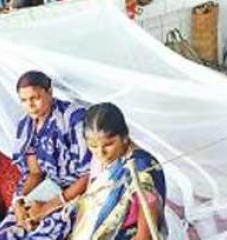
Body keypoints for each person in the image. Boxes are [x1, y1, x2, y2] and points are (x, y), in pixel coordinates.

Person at [0, 71, 91, 240]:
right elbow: (35, 172)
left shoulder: (74, 119)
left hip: (75, 191)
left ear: (50, 92)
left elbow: (88, 174)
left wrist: (47, 207)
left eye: (35, 98)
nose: (30, 106)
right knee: (7, 232)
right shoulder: (27, 126)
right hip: (49, 187)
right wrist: (20, 202)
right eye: (24, 100)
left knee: (41, 234)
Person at [72, 102, 167, 239]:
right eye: (93, 146)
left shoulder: (141, 169)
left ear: (124, 137)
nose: (100, 153)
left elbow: (144, 236)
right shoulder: (101, 159)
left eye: (108, 144)